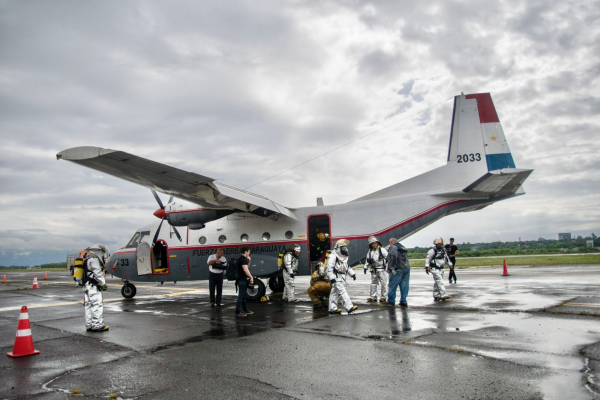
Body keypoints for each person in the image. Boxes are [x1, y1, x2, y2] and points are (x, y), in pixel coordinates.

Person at [326, 239, 358, 314]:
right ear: (338, 248)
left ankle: (332, 308)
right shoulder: (333, 256)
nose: (344, 249)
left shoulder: (344, 257)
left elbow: (347, 267)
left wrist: (352, 274)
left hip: (341, 277)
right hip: (336, 277)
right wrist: (332, 278)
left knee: (334, 293)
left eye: (345, 248)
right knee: (342, 291)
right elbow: (329, 268)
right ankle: (349, 307)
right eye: (343, 248)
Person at [82, 244, 109, 332]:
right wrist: (103, 283)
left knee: (88, 305)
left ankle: (89, 324)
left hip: (87, 286)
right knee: (97, 305)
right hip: (93, 286)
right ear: (98, 251)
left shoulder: (87, 259)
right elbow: (98, 273)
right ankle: (97, 325)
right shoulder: (94, 260)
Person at [386, 238, 411, 307]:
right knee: (404, 285)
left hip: (398, 269)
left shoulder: (393, 247)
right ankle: (403, 300)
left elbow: (393, 256)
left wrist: (392, 267)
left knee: (392, 285)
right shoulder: (403, 247)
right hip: (406, 268)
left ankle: (391, 300)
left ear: (391, 242)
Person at [364, 236, 388, 303]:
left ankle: (383, 296)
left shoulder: (382, 250)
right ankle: (373, 296)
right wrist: (365, 267)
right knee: (373, 283)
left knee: (383, 283)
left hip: (381, 269)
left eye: (374, 243)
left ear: (377, 243)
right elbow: (367, 259)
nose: (374, 245)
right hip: (374, 270)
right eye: (372, 244)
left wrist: (384, 265)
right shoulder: (370, 251)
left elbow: (387, 259)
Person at [236, 247, 254, 317]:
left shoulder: (242, 259)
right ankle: (238, 311)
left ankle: (245, 310)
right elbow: (246, 270)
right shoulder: (243, 259)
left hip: (241, 280)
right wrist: (251, 277)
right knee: (241, 296)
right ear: (245, 252)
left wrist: (249, 261)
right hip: (242, 280)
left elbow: (247, 268)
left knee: (243, 296)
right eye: (249, 252)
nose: (249, 253)